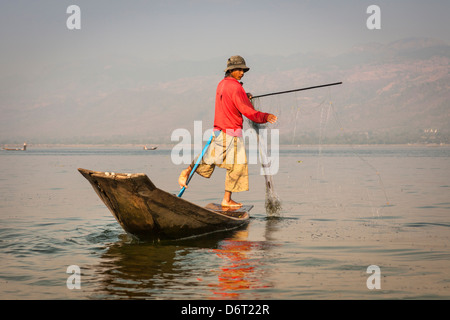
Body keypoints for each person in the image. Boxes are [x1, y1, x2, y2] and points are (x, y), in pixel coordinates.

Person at [178, 55, 277, 207]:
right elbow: (247, 111)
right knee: (238, 165)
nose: (242, 73)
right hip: (231, 132)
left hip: (219, 130)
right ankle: (226, 199)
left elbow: (232, 101)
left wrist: (245, 95)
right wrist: (265, 116)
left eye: (243, 70)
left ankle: (187, 170)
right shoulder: (236, 87)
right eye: (239, 70)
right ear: (231, 71)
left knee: (210, 159)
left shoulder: (222, 84)